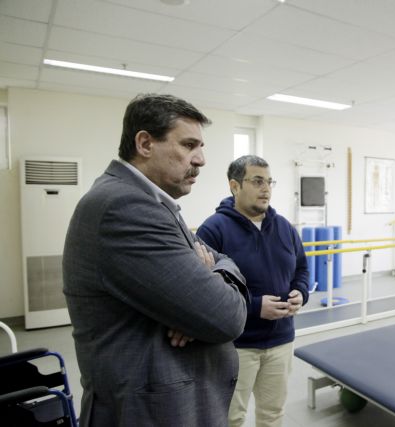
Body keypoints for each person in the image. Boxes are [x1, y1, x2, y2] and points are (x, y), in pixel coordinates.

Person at [62, 94, 249, 427]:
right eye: (189, 145)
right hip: (150, 413)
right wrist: (202, 305)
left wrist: (206, 284)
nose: (201, 159)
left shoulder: (151, 203)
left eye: (200, 147)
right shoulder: (125, 207)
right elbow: (226, 316)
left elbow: (221, 260)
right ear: (145, 143)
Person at [197, 155, 309, 427]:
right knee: (230, 418)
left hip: (281, 340)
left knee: (272, 414)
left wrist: (301, 292)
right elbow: (203, 291)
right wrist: (255, 306)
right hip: (236, 345)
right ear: (234, 186)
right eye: (257, 181)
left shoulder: (285, 228)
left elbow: (302, 269)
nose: (266, 188)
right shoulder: (213, 230)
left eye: (269, 182)